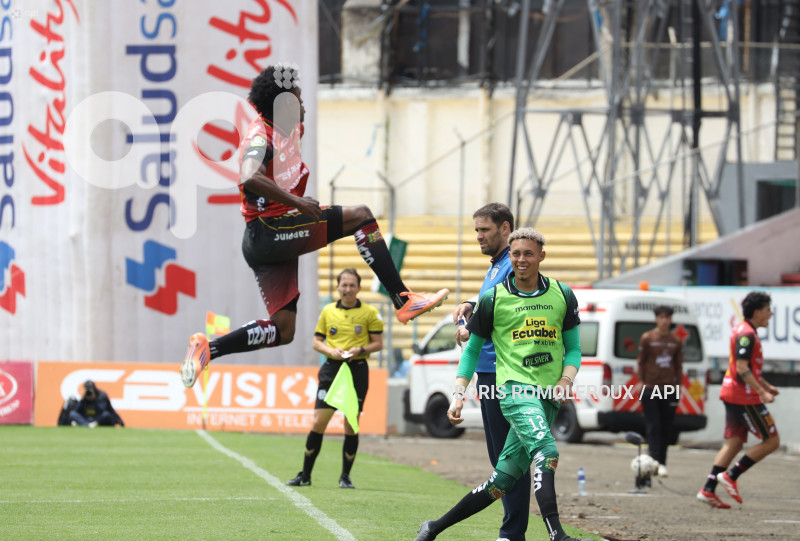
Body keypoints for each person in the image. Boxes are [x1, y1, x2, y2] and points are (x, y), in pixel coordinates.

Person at [180, 63, 447, 388]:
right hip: (271, 230)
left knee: (283, 330)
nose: (303, 105)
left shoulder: (290, 129)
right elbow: (249, 174)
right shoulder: (260, 135)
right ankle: (402, 299)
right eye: (298, 98)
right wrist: (298, 203)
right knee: (361, 214)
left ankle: (208, 348)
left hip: (267, 242)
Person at [415, 228, 591, 541]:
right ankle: (558, 536)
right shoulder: (493, 298)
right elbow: (471, 352)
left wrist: (566, 378)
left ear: (541, 256)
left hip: (548, 397)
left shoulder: (562, 294)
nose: (521, 259)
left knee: (502, 481)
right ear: (510, 257)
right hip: (514, 392)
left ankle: (434, 528)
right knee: (547, 451)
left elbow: (574, 348)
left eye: (528, 253)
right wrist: (457, 397)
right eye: (516, 254)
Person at [451, 203, 531, 541]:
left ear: (504, 227)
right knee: (502, 457)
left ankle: (512, 533)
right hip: (489, 371)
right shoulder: (497, 266)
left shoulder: (512, 265)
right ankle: (512, 531)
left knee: (509, 457)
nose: (479, 237)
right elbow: (492, 300)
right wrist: (472, 302)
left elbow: (512, 307)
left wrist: (472, 326)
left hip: (503, 371)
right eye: (476, 231)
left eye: (484, 230)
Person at [285, 268, 383, 489]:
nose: (347, 289)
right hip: (332, 369)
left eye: (352, 285)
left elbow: (378, 343)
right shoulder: (328, 311)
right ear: (337, 287)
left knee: (351, 423)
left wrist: (360, 349)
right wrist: (330, 351)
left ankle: (345, 477)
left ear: (358, 288)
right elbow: (316, 341)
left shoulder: (369, 313)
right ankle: (305, 475)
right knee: (319, 421)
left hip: (356, 369)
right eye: (344, 285)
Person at [696, 291, 780, 509]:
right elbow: (742, 368)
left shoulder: (745, 331)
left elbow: (748, 367)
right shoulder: (747, 335)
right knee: (771, 440)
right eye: (768, 310)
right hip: (744, 396)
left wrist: (766, 386)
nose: (770, 314)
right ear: (758, 311)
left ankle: (708, 489)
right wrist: (761, 393)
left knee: (734, 443)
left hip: (733, 392)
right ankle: (731, 475)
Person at [635, 304, 683, 478]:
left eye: (667, 317)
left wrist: (679, 386)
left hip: (669, 388)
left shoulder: (676, 340)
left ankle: (662, 463)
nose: (664, 320)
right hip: (650, 388)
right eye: (661, 317)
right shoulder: (647, 338)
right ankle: (653, 460)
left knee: (666, 428)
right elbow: (641, 361)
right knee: (653, 425)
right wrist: (641, 381)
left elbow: (678, 366)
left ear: (671, 320)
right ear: (656, 319)